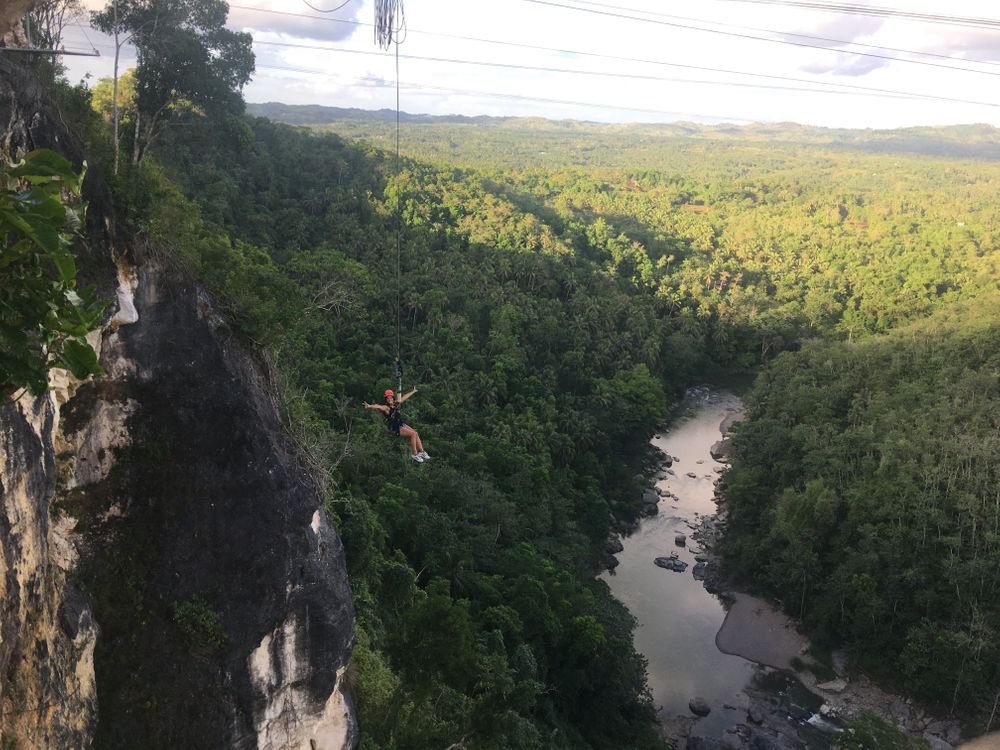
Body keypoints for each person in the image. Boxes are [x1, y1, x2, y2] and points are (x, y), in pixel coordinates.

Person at [363, 387, 431, 462]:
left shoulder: (396, 404)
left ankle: (422, 452)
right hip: (395, 427)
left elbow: (404, 397)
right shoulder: (386, 408)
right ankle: (415, 454)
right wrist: (370, 406)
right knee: (413, 434)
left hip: (400, 423)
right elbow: (379, 406)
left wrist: (413, 391)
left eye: (390, 398)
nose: (389, 399)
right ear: (386, 400)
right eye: (388, 398)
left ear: (393, 397)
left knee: (416, 433)